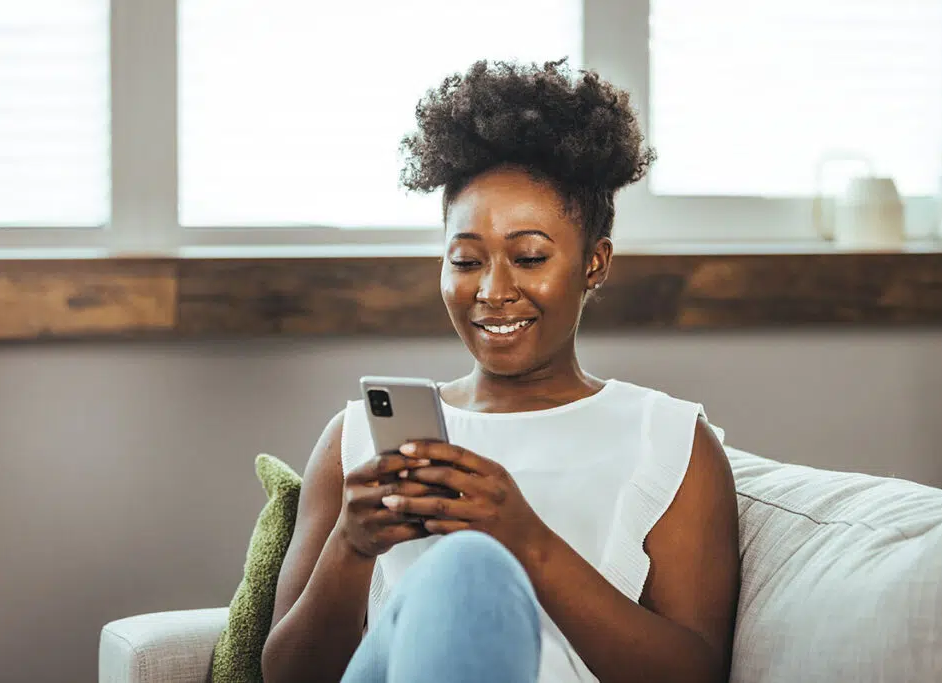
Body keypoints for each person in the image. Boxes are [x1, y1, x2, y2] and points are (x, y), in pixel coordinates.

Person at [261, 58, 740, 683]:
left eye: (529, 256)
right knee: (462, 569)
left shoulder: (672, 442)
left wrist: (523, 539)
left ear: (594, 264)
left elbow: (697, 675)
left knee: (469, 567)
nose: (493, 290)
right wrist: (350, 549)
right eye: (465, 260)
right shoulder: (353, 442)